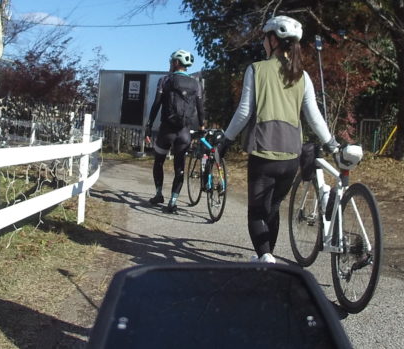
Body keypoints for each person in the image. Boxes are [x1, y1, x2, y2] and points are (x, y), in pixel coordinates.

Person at [220, 16, 337, 263]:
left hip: (263, 153)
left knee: (257, 212)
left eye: (265, 37)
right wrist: (331, 143)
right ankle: (268, 257)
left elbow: (244, 112)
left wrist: (225, 141)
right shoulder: (302, 76)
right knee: (272, 209)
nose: (263, 42)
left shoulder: (256, 69)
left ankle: (265, 257)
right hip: (291, 156)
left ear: (273, 40)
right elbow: (314, 116)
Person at [144, 50, 205, 214]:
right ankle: (173, 201)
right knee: (180, 167)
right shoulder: (196, 84)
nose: (170, 64)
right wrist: (202, 127)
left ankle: (158, 194)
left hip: (166, 130)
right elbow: (200, 109)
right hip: (184, 132)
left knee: (159, 162)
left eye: (171, 61)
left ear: (176, 63)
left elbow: (156, 105)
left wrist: (149, 125)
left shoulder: (165, 80)